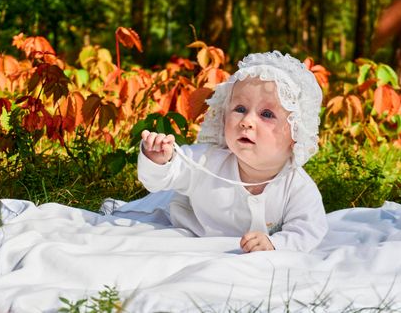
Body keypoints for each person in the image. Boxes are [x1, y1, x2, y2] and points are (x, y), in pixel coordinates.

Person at [138, 51, 328, 253]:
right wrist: (159, 161)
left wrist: (276, 244)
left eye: (266, 114)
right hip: (193, 239)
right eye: (240, 109)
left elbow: (308, 230)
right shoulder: (206, 161)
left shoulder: (296, 185)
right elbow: (163, 179)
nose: (247, 121)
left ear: (296, 133)